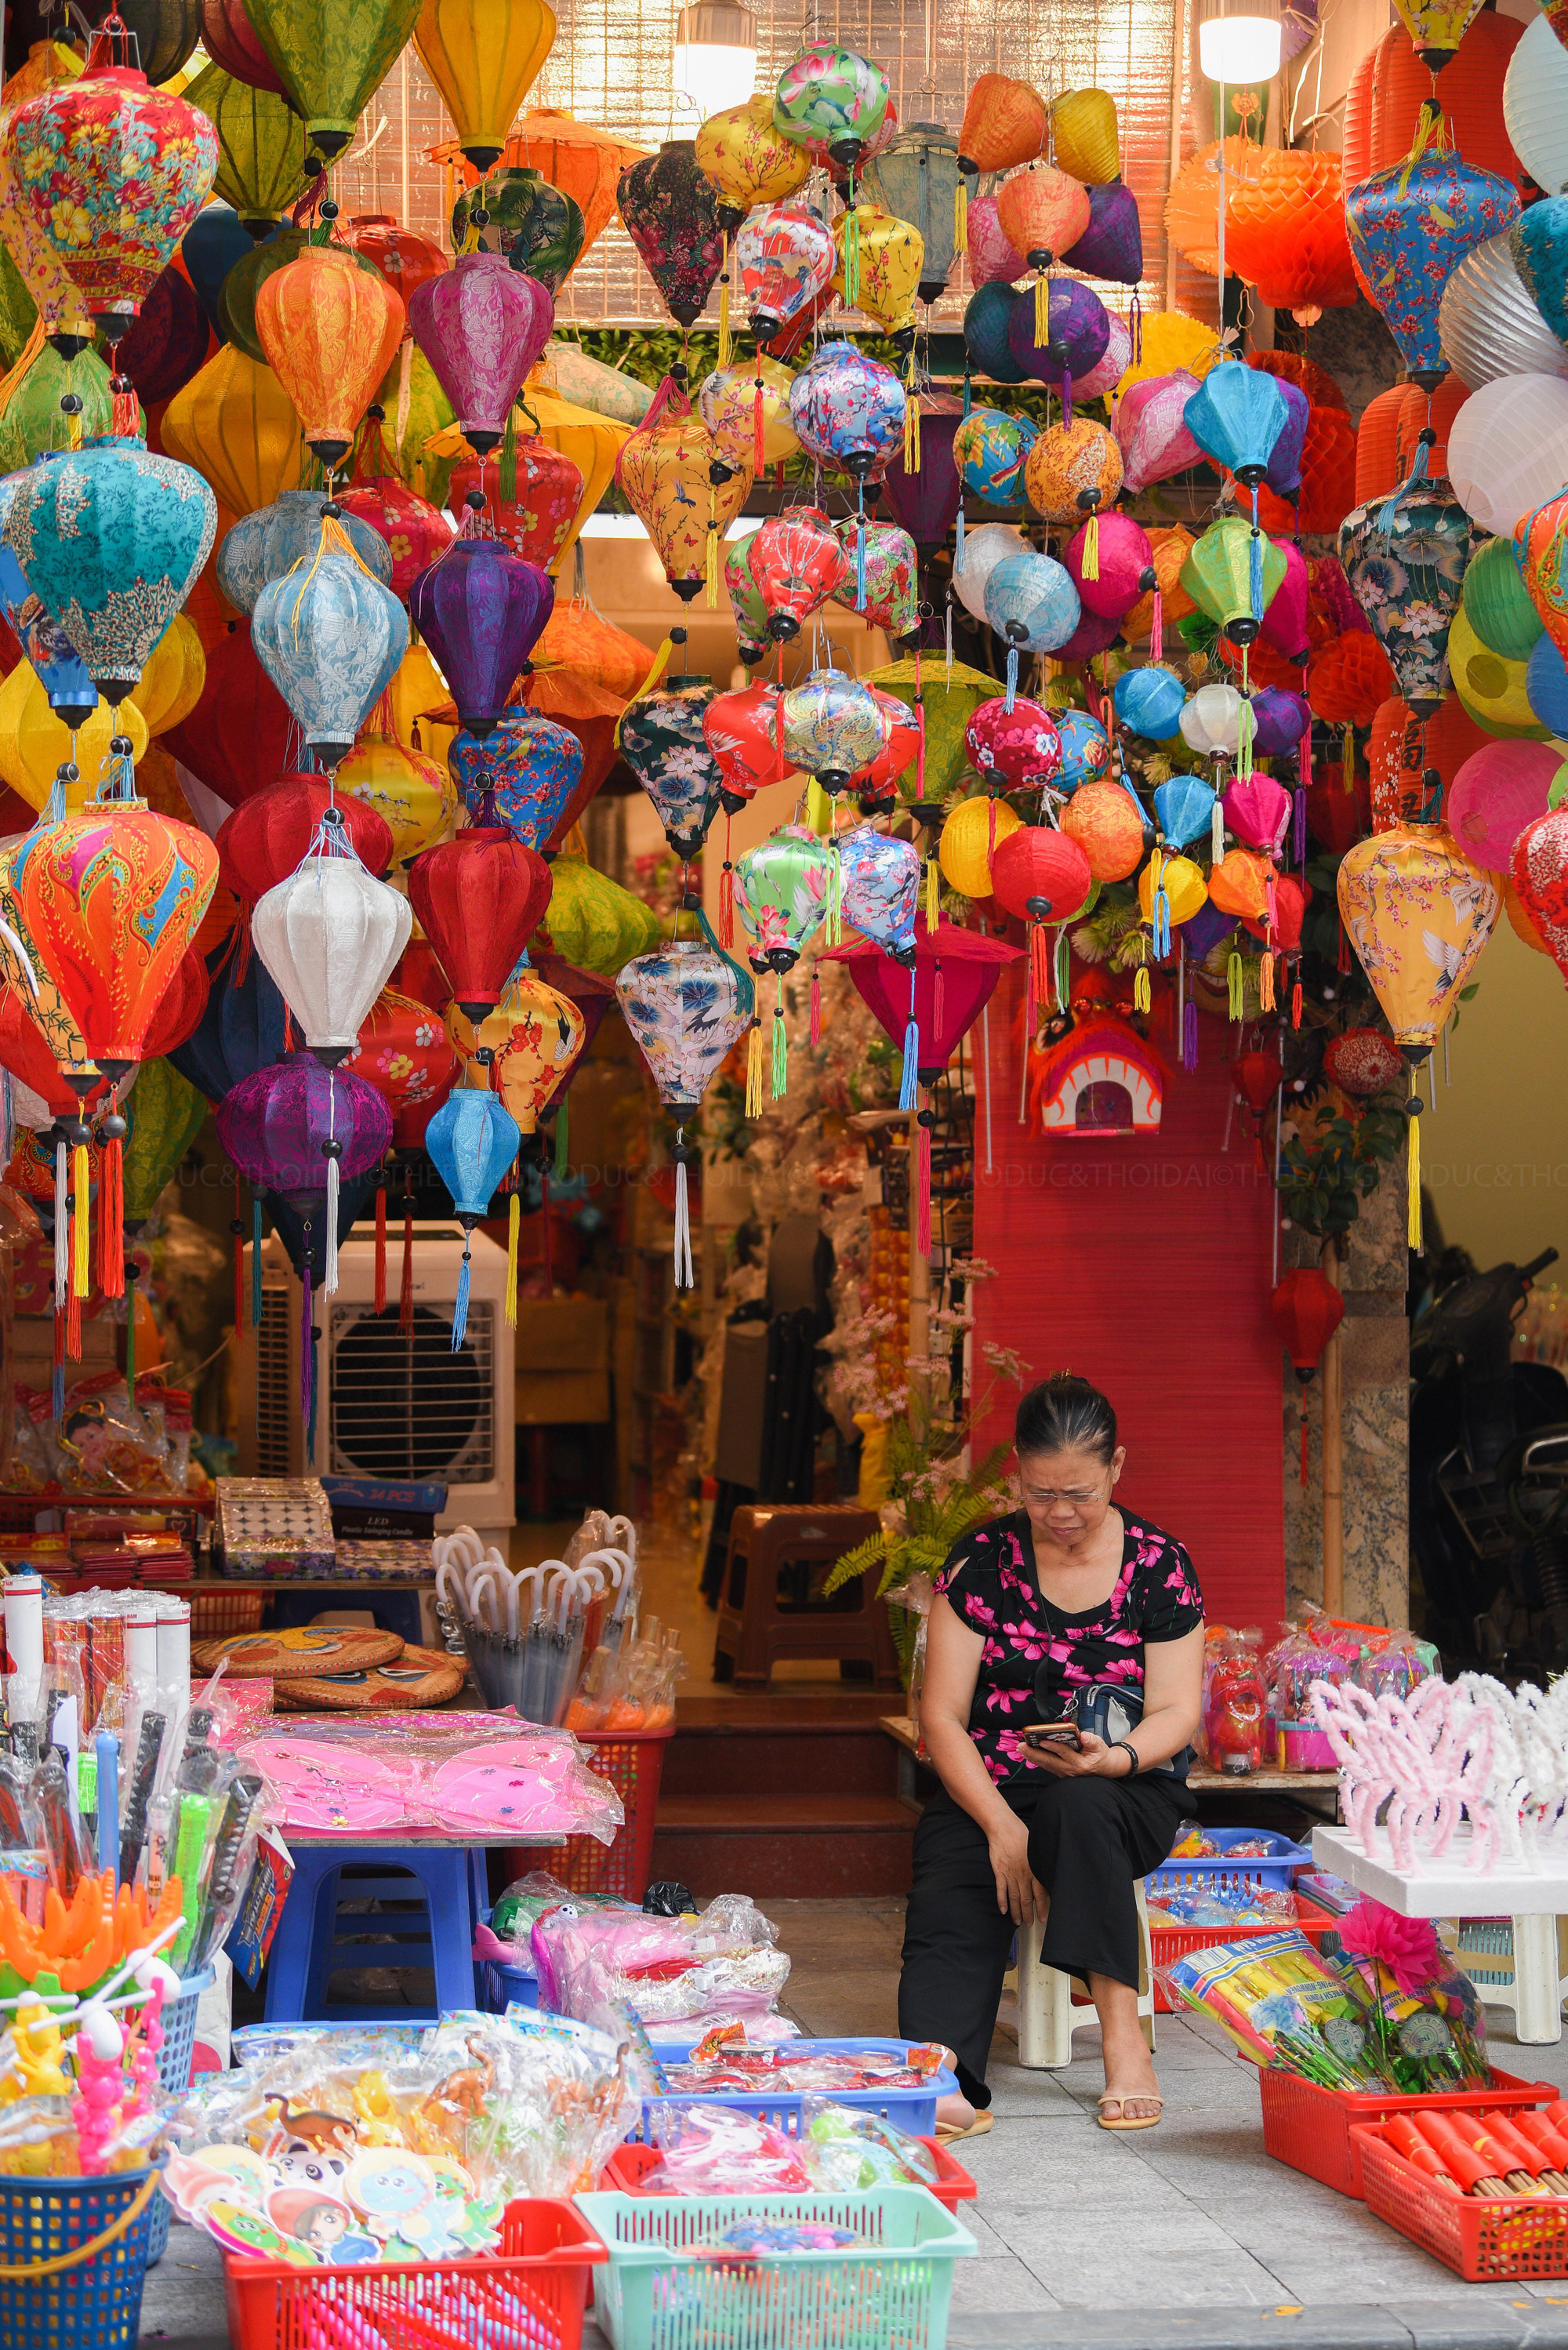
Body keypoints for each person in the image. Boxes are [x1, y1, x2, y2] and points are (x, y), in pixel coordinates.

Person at [898, 1373, 1204, 2137]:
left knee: (1080, 1805)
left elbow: (1175, 1709)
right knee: (952, 1871)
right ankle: (943, 2071)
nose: (1059, 1514)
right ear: (1016, 1479)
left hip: (1123, 1785)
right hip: (991, 1783)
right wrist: (1001, 1828)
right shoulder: (978, 1564)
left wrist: (1119, 1758)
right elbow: (938, 1714)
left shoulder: (1159, 1565)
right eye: (1039, 1495)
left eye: (1078, 1493)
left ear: (1116, 1469)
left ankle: (1122, 2042)